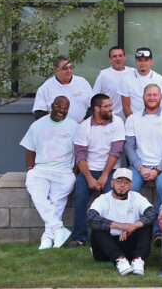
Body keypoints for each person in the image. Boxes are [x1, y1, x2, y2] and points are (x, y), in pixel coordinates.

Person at [123, 83, 162, 235]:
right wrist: (140, 168)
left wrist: (158, 169)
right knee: (129, 189)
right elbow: (129, 147)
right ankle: (130, 229)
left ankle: (158, 230)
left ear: (161, 97)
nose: (152, 98)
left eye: (155, 95)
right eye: (148, 95)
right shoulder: (133, 119)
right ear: (143, 97)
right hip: (139, 165)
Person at [68, 93, 125, 247]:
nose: (111, 108)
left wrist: (105, 175)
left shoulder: (117, 122)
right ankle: (79, 237)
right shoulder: (84, 127)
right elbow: (80, 156)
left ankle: (111, 236)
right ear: (96, 109)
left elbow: (116, 151)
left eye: (111, 105)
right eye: (107, 106)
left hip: (111, 169)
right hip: (89, 170)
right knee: (80, 197)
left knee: (111, 198)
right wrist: (89, 178)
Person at [21, 96, 77, 249]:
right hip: (41, 170)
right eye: (59, 107)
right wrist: (30, 169)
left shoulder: (73, 126)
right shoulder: (38, 125)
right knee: (39, 196)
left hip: (64, 171)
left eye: (66, 108)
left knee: (56, 204)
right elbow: (30, 149)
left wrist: (74, 173)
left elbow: (79, 152)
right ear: (52, 106)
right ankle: (58, 229)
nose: (62, 111)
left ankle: (47, 237)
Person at [87, 168, 156, 275]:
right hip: (105, 248)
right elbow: (91, 218)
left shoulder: (136, 197)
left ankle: (138, 260)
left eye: (126, 182)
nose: (122, 185)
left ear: (131, 185)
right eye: (119, 181)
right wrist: (120, 226)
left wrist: (133, 227)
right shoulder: (103, 199)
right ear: (112, 183)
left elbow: (152, 213)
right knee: (98, 227)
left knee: (146, 225)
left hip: (128, 243)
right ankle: (119, 260)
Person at [32, 56, 93, 122]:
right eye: (64, 68)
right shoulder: (45, 87)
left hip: (82, 128)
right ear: (55, 69)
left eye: (71, 67)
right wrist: (57, 126)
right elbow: (40, 113)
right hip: (56, 130)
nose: (69, 71)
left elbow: (93, 106)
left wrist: (84, 121)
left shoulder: (83, 83)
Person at [120, 47, 162, 118]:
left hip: (154, 120)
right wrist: (133, 121)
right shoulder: (126, 79)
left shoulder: (160, 80)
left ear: (152, 61)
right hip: (133, 120)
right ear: (135, 62)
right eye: (140, 60)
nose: (143, 63)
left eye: (146, 60)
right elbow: (125, 106)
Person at [92, 46, 135, 119]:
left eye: (120, 56)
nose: (118, 58)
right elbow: (95, 96)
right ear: (110, 59)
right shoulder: (104, 74)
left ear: (125, 57)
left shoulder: (133, 72)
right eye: (114, 56)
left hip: (130, 117)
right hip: (110, 118)